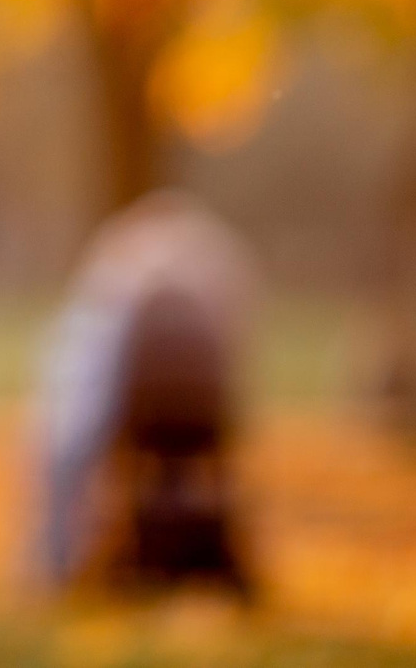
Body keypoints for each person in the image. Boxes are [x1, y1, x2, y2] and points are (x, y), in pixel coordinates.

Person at [32, 189, 254, 596]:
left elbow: (75, 407)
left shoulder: (115, 267)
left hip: (130, 413)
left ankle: (53, 567)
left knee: (62, 448)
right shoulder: (216, 256)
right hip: (205, 419)